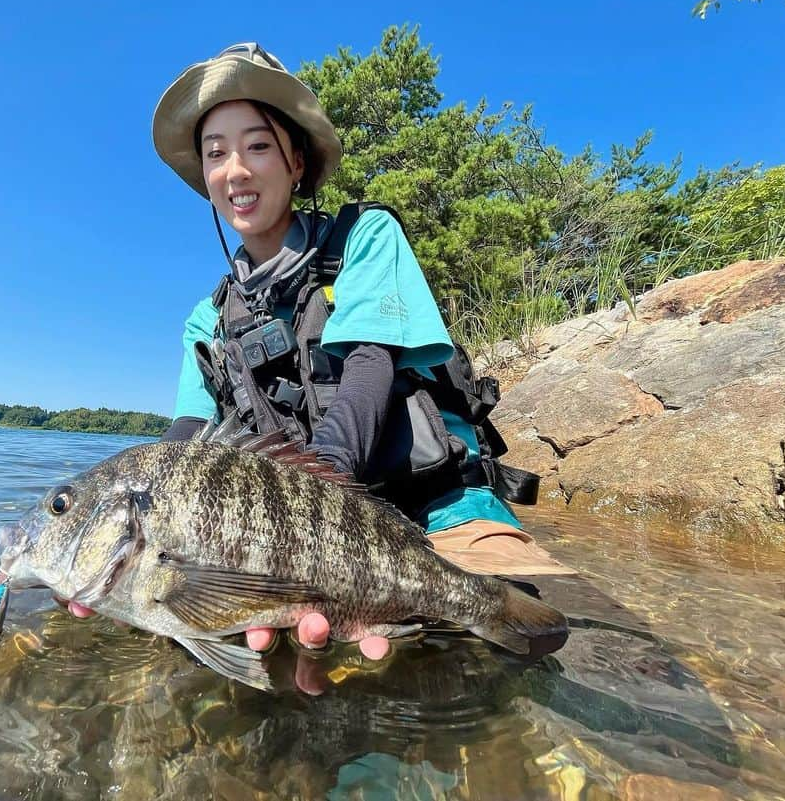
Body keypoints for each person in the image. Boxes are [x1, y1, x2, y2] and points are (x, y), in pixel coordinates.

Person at [60, 44, 573, 687]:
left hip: (430, 508)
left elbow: (369, 370)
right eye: (215, 153)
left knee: (510, 655)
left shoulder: (366, 238)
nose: (236, 170)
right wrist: (104, 562)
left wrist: (326, 541)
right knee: (207, 658)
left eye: (258, 146)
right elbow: (183, 447)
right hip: (296, 542)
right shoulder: (206, 320)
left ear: (296, 160)